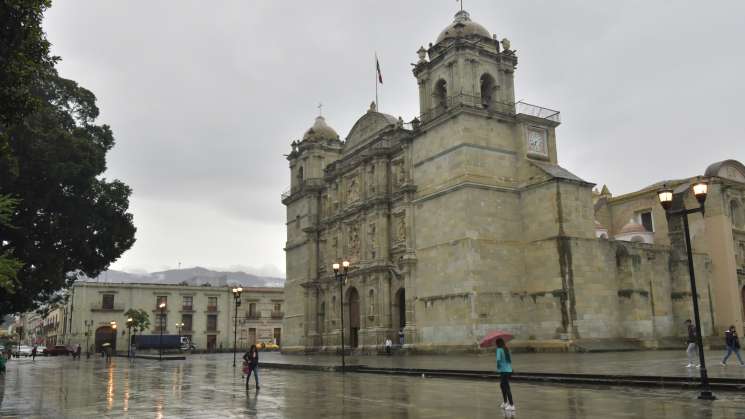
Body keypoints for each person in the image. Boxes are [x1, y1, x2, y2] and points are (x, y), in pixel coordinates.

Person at [496, 338, 515, 411]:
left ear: (498, 343)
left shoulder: (499, 350)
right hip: (508, 370)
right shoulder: (506, 349)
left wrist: (498, 367)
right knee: (502, 385)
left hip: (503, 371)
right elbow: (509, 360)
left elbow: (498, 360)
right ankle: (505, 402)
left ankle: (512, 405)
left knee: (506, 387)